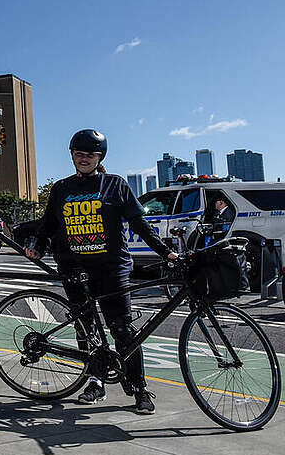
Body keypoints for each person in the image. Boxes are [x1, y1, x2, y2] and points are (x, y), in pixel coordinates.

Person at [27, 130, 178, 415]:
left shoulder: (115, 185)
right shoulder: (61, 188)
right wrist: (37, 244)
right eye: (79, 154)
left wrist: (165, 252)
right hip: (74, 268)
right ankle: (95, 382)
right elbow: (48, 225)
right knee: (87, 331)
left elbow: (138, 223)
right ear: (72, 155)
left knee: (123, 330)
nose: (84, 159)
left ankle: (139, 389)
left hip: (111, 268)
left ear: (100, 158)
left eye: (90, 155)